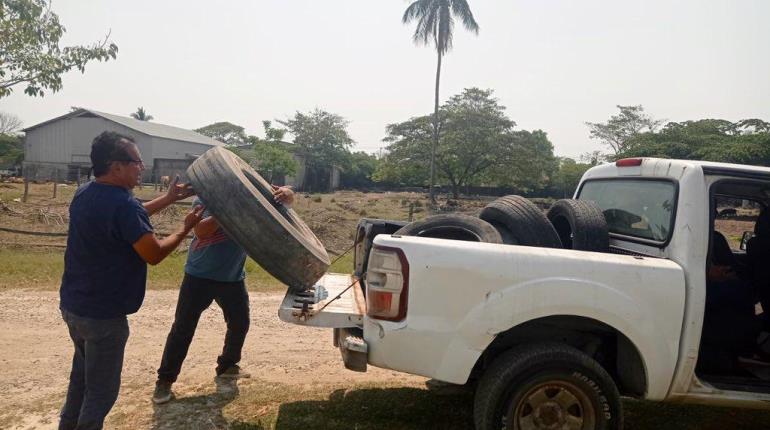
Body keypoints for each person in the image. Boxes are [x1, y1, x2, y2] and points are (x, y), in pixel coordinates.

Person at [58, 131, 204, 430]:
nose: (142, 167)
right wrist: (185, 228)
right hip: (104, 316)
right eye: (137, 161)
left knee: (81, 381)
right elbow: (153, 253)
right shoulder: (123, 205)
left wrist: (168, 198)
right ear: (117, 166)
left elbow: (128, 217)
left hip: (74, 307)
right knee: (101, 393)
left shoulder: (85, 192)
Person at [152, 184, 295, 404]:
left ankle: (227, 366)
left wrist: (288, 194)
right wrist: (231, 208)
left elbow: (282, 200)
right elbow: (201, 230)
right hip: (199, 276)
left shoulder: (253, 202)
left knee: (240, 323)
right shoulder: (205, 199)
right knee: (183, 329)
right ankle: (165, 381)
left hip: (232, 277)